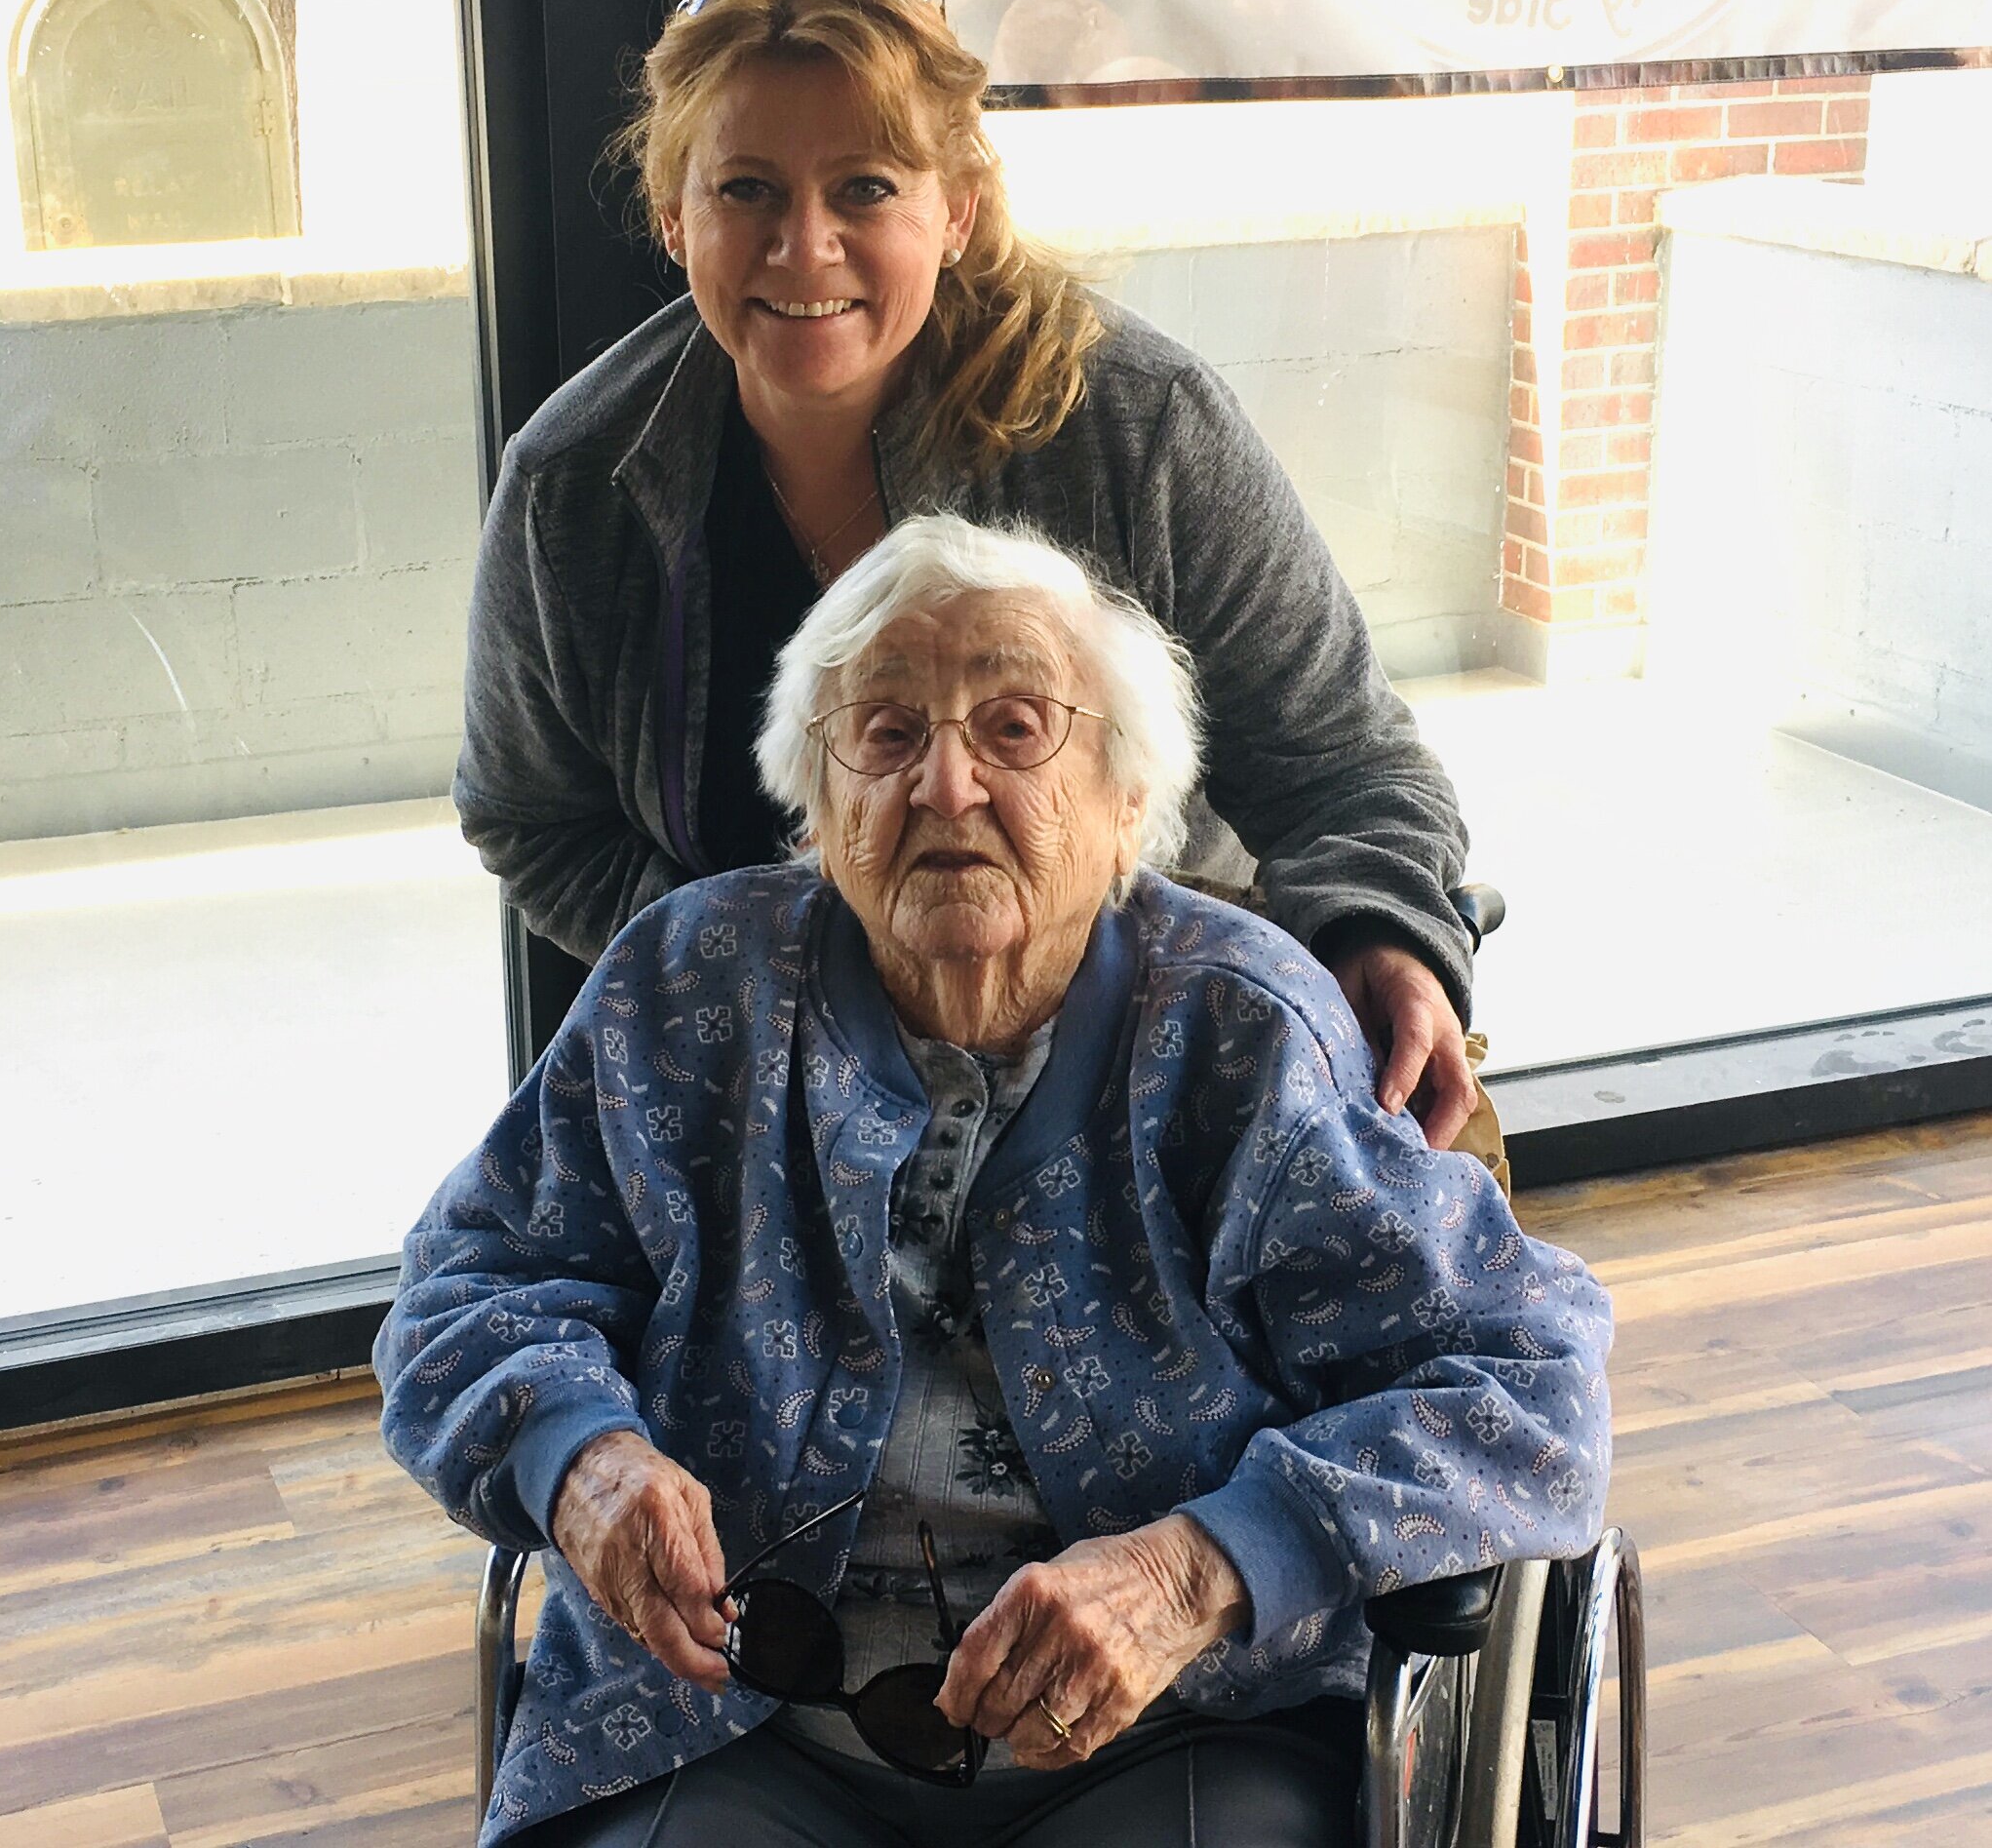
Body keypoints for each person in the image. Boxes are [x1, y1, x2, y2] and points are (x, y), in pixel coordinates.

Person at [381, 519, 1613, 1847]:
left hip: (1176, 1731)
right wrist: (581, 1459)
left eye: (1016, 728)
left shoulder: (1244, 1037)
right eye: (888, 734)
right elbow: (469, 1284)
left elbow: (1529, 1385)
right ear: (816, 805)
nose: (946, 786)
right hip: (723, 1727)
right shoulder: (690, 993)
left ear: (1129, 797)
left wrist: (1195, 1567)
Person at [456, 0, 1494, 1160]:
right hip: (776, 1085)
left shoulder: (1137, 425)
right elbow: (528, 812)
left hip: (1135, 1048)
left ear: (955, 209)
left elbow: (1345, 762)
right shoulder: (570, 485)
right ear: (670, 214)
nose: (804, 246)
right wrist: (739, 970)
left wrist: (1388, 936)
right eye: (745, 190)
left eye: (863, 189)